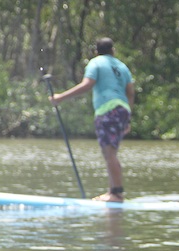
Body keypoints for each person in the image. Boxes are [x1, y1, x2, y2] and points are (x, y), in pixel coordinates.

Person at [49, 37, 135, 202]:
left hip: (107, 110)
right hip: (122, 109)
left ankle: (116, 194)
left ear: (96, 51)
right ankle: (113, 191)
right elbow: (130, 92)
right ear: (113, 50)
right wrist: (127, 119)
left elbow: (87, 84)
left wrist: (60, 97)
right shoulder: (122, 66)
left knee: (109, 152)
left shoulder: (95, 63)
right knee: (111, 152)